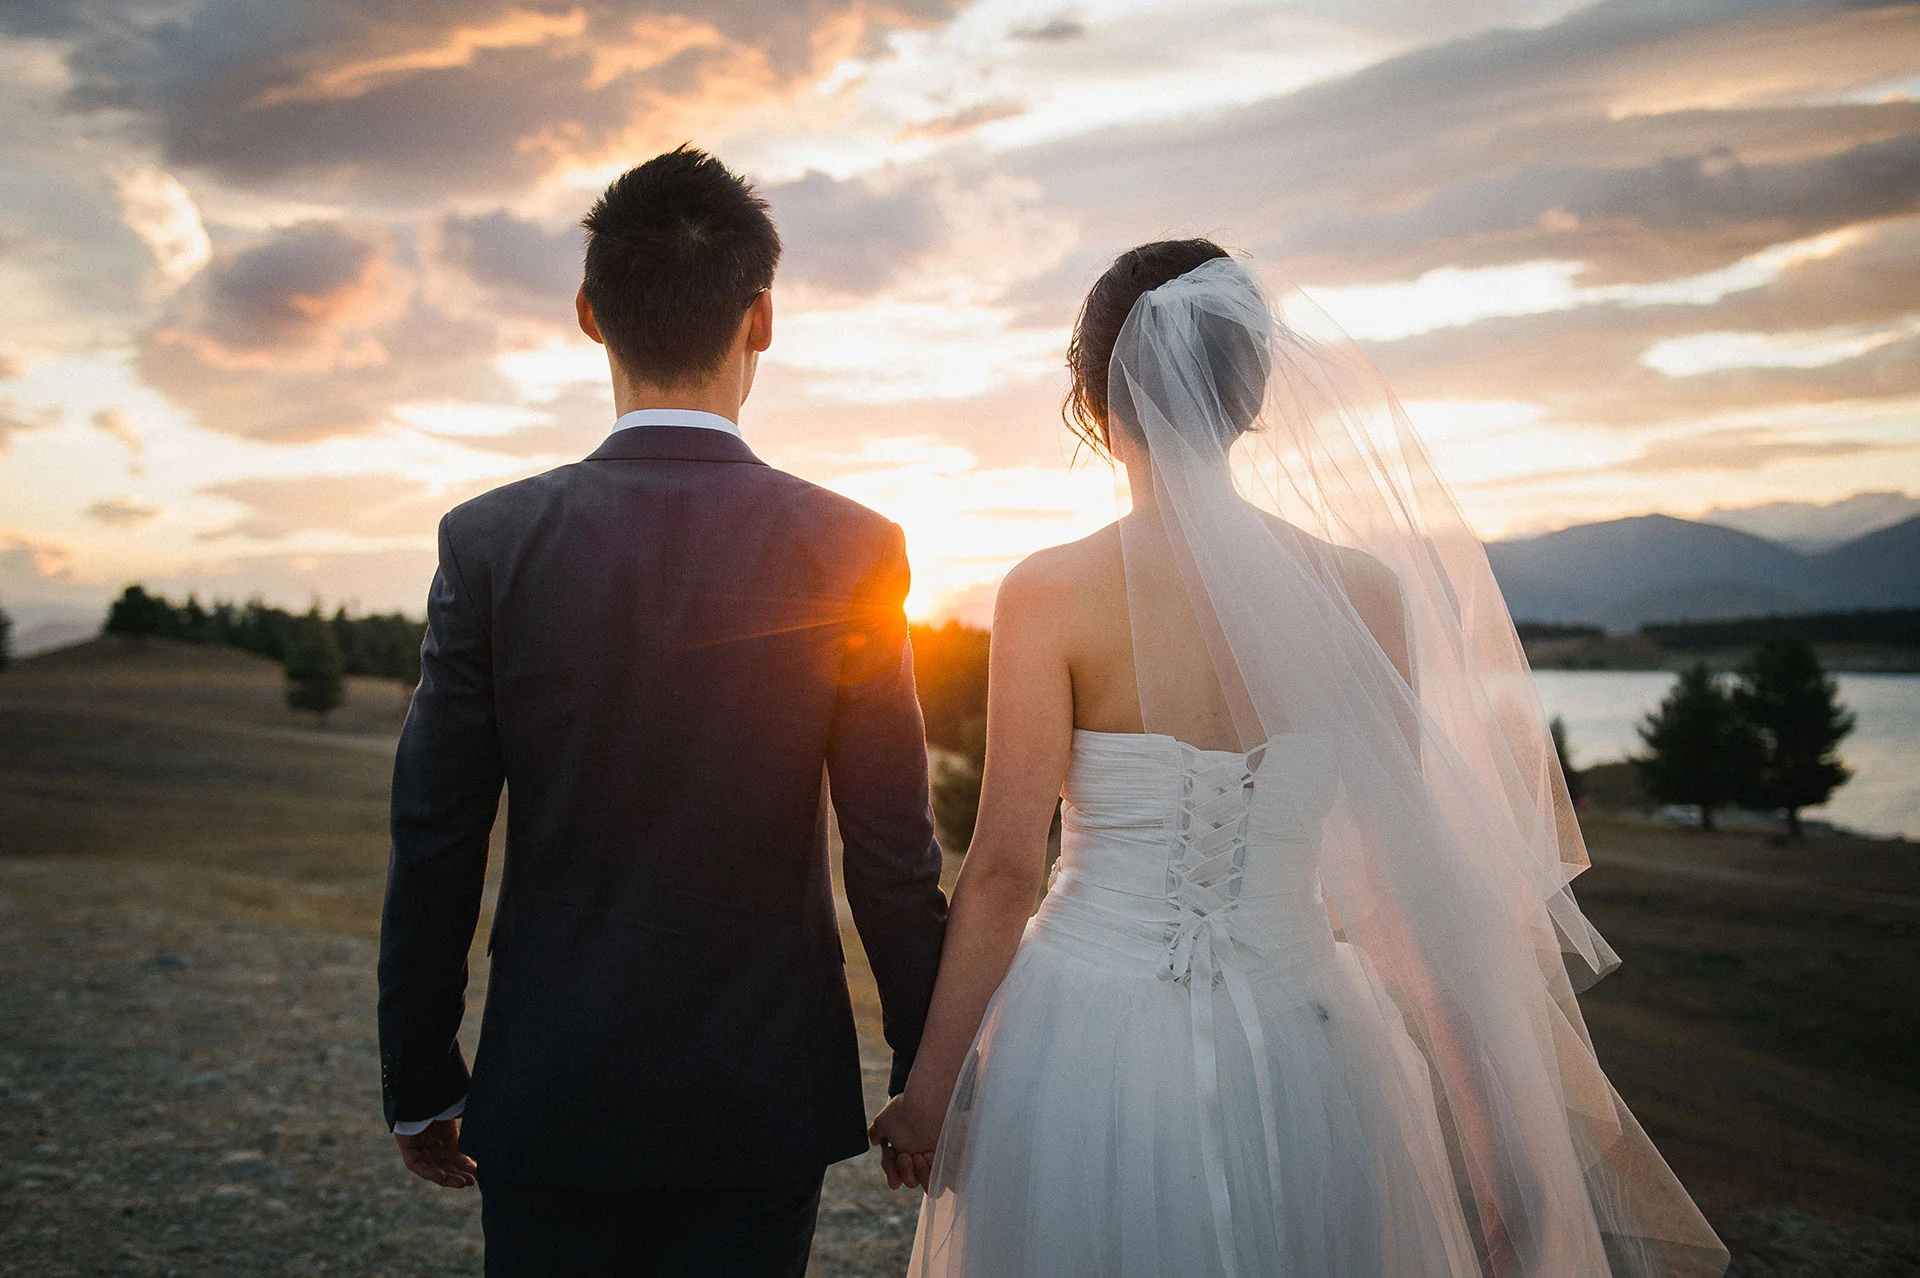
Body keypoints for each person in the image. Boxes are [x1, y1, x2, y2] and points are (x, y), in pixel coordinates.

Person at [869, 242, 1728, 1277]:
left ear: (1095, 400)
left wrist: (929, 1092)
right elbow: (1412, 889)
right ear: (1253, 396)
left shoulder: (1048, 594)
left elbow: (1007, 871)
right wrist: (1504, 1158)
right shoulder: (1358, 594)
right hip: (1305, 1042)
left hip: (1083, 1038)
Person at [377, 145, 948, 1277]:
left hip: (554, 1080)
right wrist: (926, 1067)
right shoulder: (853, 547)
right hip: (760, 1094)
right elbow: (892, 849)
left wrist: (421, 1074)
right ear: (763, 318)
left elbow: (436, 833)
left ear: (590, 315)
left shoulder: (490, 541)